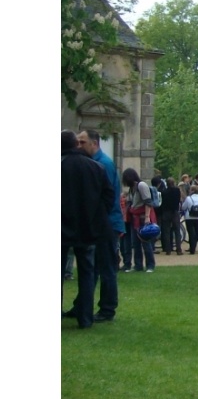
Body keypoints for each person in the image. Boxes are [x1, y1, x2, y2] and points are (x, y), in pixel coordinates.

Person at [61, 131, 116, 329]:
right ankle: (85, 318)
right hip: (88, 228)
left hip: (62, 228)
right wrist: (95, 217)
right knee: (87, 274)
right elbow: (109, 197)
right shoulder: (96, 167)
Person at [74, 129, 124, 323]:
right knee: (92, 267)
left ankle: (107, 308)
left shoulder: (103, 164)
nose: (79, 145)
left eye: (82, 142)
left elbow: (108, 199)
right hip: (102, 222)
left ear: (94, 143)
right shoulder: (97, 163)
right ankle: (82, 305)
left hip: (107, 224)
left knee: (106, 268)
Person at [121, 168, 156, 273]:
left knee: (145, 242)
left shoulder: (141, 185)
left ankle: (150, 265)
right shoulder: (133, 188)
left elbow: (148, 202)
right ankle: (138, 265)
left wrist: (147, 217)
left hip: (142, 217)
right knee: (135, 243)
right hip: (135, 217)